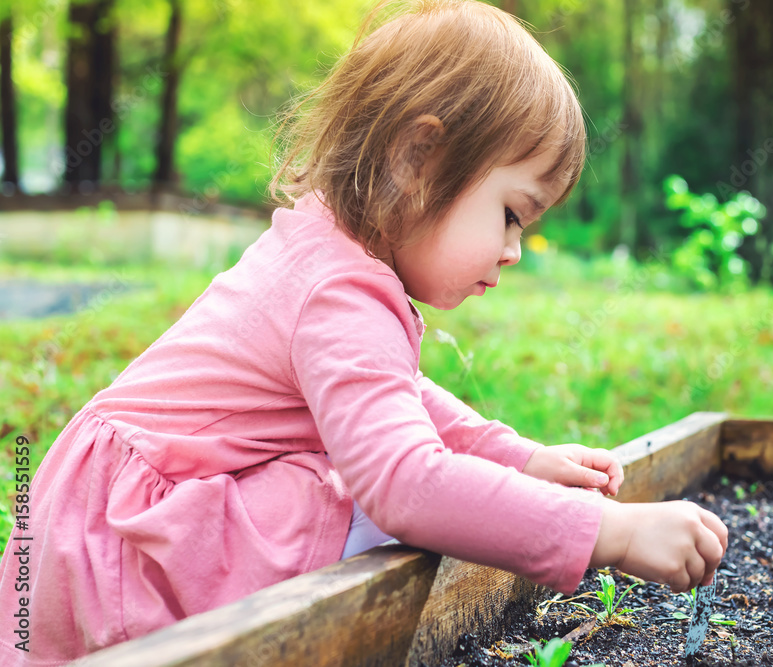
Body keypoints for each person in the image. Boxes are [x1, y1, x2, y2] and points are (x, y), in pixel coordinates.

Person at [0, 0, 727, 663]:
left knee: (370, 470)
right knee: (368, 493)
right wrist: (611, 533)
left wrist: (520, 458)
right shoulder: (338, 287)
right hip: (126, 548)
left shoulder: (332, 249)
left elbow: (398, 392)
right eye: (510, 212)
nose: (512, 248)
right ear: (418, 160)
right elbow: (406, 482)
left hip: (101, 519)